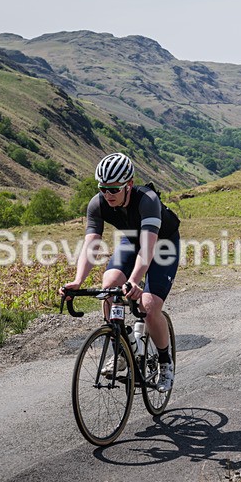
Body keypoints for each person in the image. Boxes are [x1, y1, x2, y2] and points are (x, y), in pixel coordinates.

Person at [60, 152, 180, 392]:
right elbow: (91, 245)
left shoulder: (148, 200)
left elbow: (147, 249)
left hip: (162, 244)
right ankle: (121, 352)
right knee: (110, 285)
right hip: (132, 240)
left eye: (114, 189)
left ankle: (166, 362)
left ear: (129, 185)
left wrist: (135, 281)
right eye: (103, 188)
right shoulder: (98, 203)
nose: (108, 194)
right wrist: (77, 280)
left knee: (149, 304)